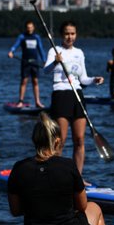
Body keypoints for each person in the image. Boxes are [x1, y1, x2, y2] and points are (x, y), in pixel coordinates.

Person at [43, 21, 104, 175]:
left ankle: (77, 177)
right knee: (60, 140)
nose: (70, 37)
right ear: (62, 35)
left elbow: (83, 79)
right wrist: (55, 62)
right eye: (66, 34)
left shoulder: (79, 52)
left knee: (79, 140)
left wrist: (94, 80)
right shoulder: (54, 50)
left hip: (77, 95)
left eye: (72, 33)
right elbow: (46, 70)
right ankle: (56, 175)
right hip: (61, 94)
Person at [7, 21, 47, 108]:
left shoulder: (36, 37)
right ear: (26, 28)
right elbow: (15, 45)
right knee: (24, 81)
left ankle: (37, 102)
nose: (29, 29)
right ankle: (20, 101)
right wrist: (11, 51)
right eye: (28, 27)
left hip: (35, 62)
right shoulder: (22, 37)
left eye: (31, 27)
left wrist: (44, 60)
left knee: (35, 81)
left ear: (33, 28)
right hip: (25, 62)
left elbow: (40, 49)